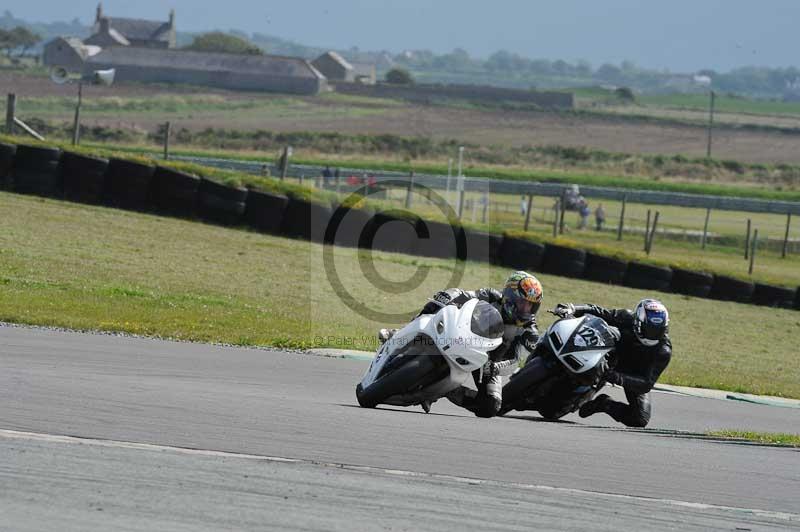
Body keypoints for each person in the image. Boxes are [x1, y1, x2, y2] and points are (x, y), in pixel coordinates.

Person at [379, 271, 544, 418]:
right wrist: (447, 297)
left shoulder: (530, 332)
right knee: (435, 305)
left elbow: (516, 361)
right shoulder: (490, 295)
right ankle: (398, 334)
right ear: (509, 295)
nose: (526, 309)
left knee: (490, 406)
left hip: (489, 362)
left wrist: (495, 368)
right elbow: (463, 294)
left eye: (531, 306)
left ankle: (447, 390)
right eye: (522, 302)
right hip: (464, 336)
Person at [552, 299, 671, 428]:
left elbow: (646, 383)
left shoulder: (664, 351)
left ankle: (604, 403)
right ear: (638, 322)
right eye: (649, 329)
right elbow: (600, 312)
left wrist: (617, 377)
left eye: (657, 331)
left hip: (632, 374)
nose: (652, 335)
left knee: (640, 419)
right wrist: (574, 309)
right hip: (610, 356)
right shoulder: (627, 317)